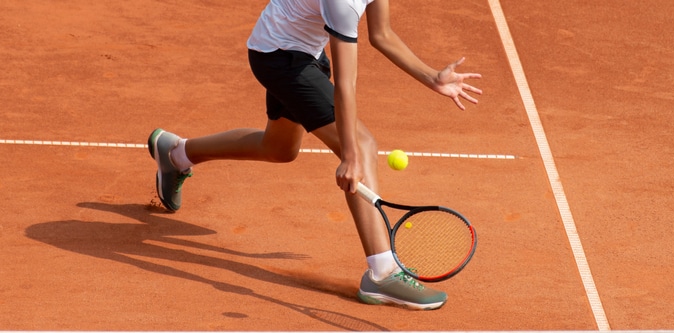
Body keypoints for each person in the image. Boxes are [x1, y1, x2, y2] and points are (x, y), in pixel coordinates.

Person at [148, 0, 482, 310]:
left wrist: (432, 78)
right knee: (363, 145)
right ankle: (382, 273)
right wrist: (349, 154)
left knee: (279, 148)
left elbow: (382, 34)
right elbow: (346, 85)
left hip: (300, 50)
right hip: (280, 58)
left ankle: (176, 154)